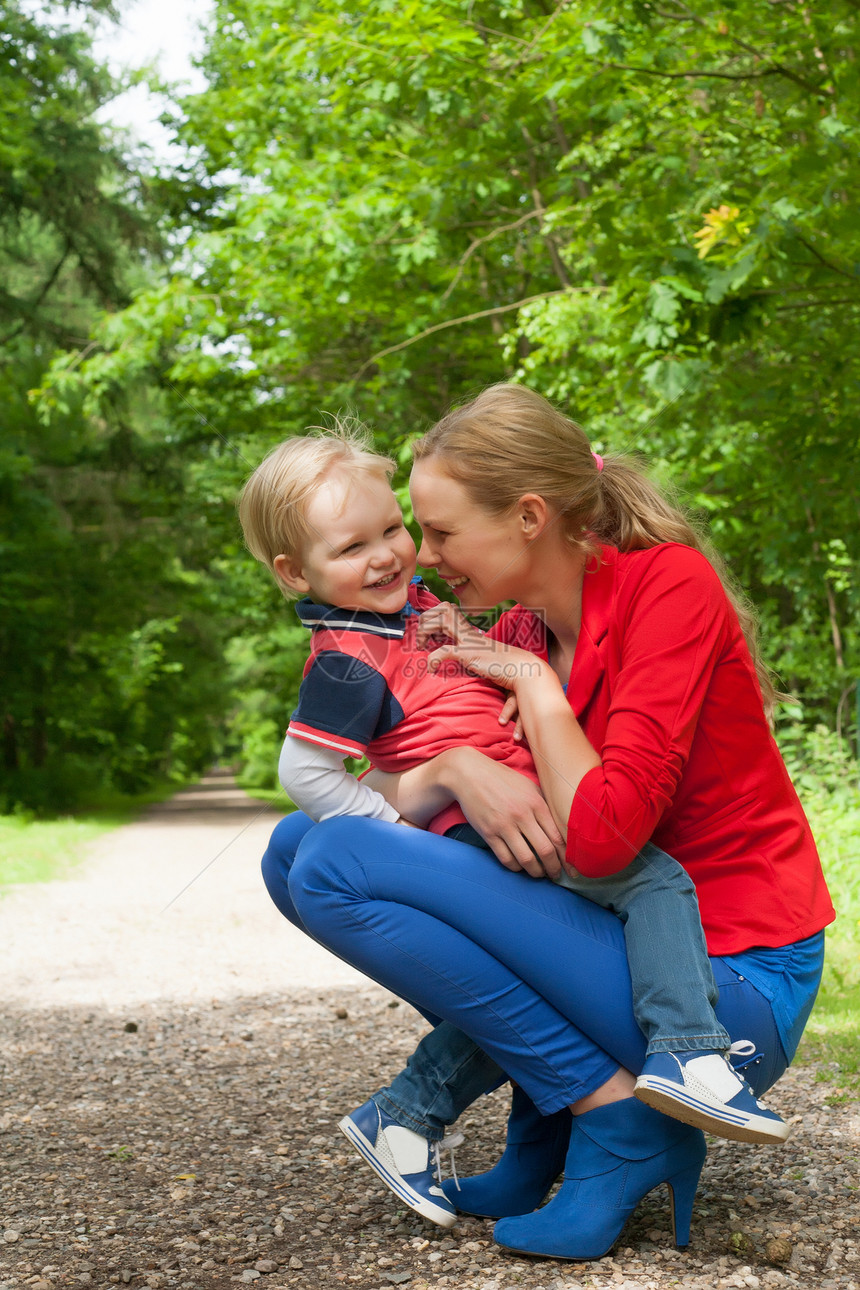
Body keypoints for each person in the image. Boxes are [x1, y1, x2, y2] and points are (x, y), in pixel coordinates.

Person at [253, 386, 834, 1261]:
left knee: (334, 857)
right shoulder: (521, 625)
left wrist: (534, 684)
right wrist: (453, 766)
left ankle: (624, 1125)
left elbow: (600, 842)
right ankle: (566, 1125)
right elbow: (457, 793)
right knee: (295, 850)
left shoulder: (664, 586)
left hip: (728, 981)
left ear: (528, 517)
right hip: (616, 940)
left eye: (439, 533)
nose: (424, 556)